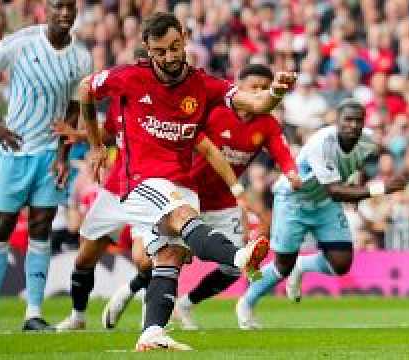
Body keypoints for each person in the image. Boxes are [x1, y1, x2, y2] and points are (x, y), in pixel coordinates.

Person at [80, 12, 296, 351]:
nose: (168, 57)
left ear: (184, 37)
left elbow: (256, 101)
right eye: (159, 51)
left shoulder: (203, 84)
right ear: (147, 49)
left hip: (182, 185)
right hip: (140, 181)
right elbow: (86, 90)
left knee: (169, 258)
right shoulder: (128, 78)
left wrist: (276, 94)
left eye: (174, 47)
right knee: (180, 220)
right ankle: (238, 257)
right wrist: (94, 144)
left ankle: (151, 332)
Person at [102, 63, 302, 331]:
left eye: (264, 89)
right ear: (239, 86)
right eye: (254, 87)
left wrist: (291, 173)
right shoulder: (214, 112)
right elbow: (205, 149)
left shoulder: (266, 124)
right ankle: (134, 295)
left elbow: (282, 152)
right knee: (157, 258)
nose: (259, 92)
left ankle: (185, 304)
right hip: (185, 194)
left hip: (223, 202)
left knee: (233, 269)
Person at [0, 0, 92, 332]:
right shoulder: (22, 42)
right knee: (1, 226)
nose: (65, 13)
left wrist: (64, 154)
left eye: (70, 8)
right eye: (58, 7)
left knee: (41, 228)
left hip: (50, 156)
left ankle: (33, 313)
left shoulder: (82, 57)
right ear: (45, 10)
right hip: (13, 151)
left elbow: (74, 110)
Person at [236, 99, 406, 329]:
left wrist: (355, 183)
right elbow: (336, 191)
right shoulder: (322, 143)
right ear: (337, 121)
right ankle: (246, 303)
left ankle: (303, 266)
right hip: (294, 200)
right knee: (282, 266)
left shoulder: (367, 141)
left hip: (324, 202)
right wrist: (381, 189)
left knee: (341, 263)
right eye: (347, 120)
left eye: (358, 120)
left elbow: (356, 164)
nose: (353, 125)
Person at [54, 48, 153, 332]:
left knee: (145, 259)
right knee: (85, 256)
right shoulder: (119, 99)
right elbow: (110, 133)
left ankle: (137, 300)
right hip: (115, 187)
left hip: (148, 187)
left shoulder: (161, 102)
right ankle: (78, 316)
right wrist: (81, 136)